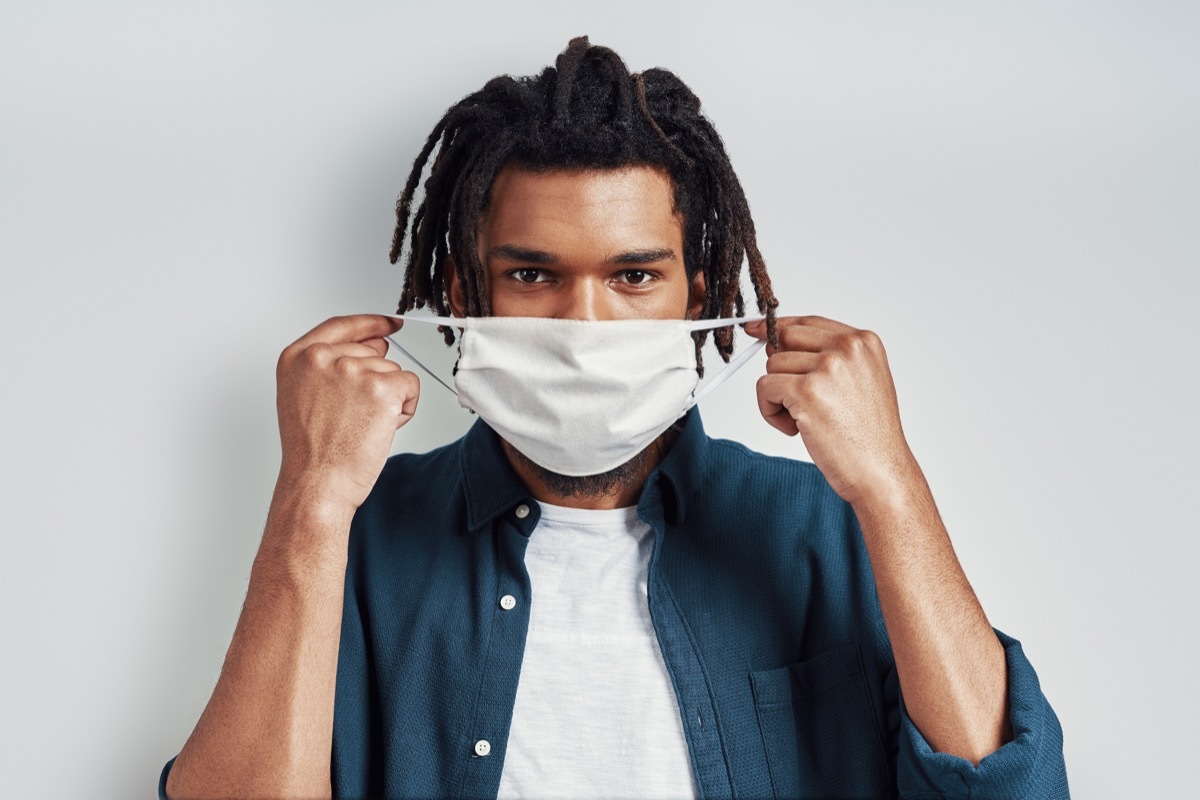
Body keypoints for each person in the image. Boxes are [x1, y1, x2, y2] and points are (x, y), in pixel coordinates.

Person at [161, 37, 1068, 799]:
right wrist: (311, 501)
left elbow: (1014, 790)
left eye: (633, 277)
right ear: (461, 297)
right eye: (531, 276)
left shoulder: (819, 526)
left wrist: (893, 485)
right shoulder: (362, 536)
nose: (583, 328)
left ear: (696, 298)